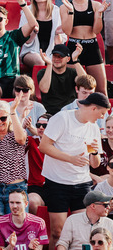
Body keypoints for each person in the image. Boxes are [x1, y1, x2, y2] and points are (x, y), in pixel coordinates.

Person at [40, 92, 109, 241]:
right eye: (102, 113)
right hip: (57, 182)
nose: (102, 117)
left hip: (81, 183)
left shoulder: (93, 128)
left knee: (82, 232)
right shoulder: (63, 118)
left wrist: (95, 152)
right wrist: (70, 159)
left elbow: (94, 164)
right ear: (93, 109)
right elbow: (44, 146)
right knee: (57, 233)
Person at [59, 0, 108, 95]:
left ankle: (105, 114)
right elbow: (67, 31)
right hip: (74, 46)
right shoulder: (65, 7)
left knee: (101, 90)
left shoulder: (96, 5)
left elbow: (97, 31)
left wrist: (99, 15)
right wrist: (71, 12)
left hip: (91, 45)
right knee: (71, 90)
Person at [40, 44, 85, 114]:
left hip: (70, 112)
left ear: (68, 59)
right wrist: (49, 65)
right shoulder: (43, 72)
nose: (57, 59)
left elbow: (85, 83)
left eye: (60, 56)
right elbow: (44, 89)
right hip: (50, 113)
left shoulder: (72, 72)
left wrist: (75, 60)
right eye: (55, 56)